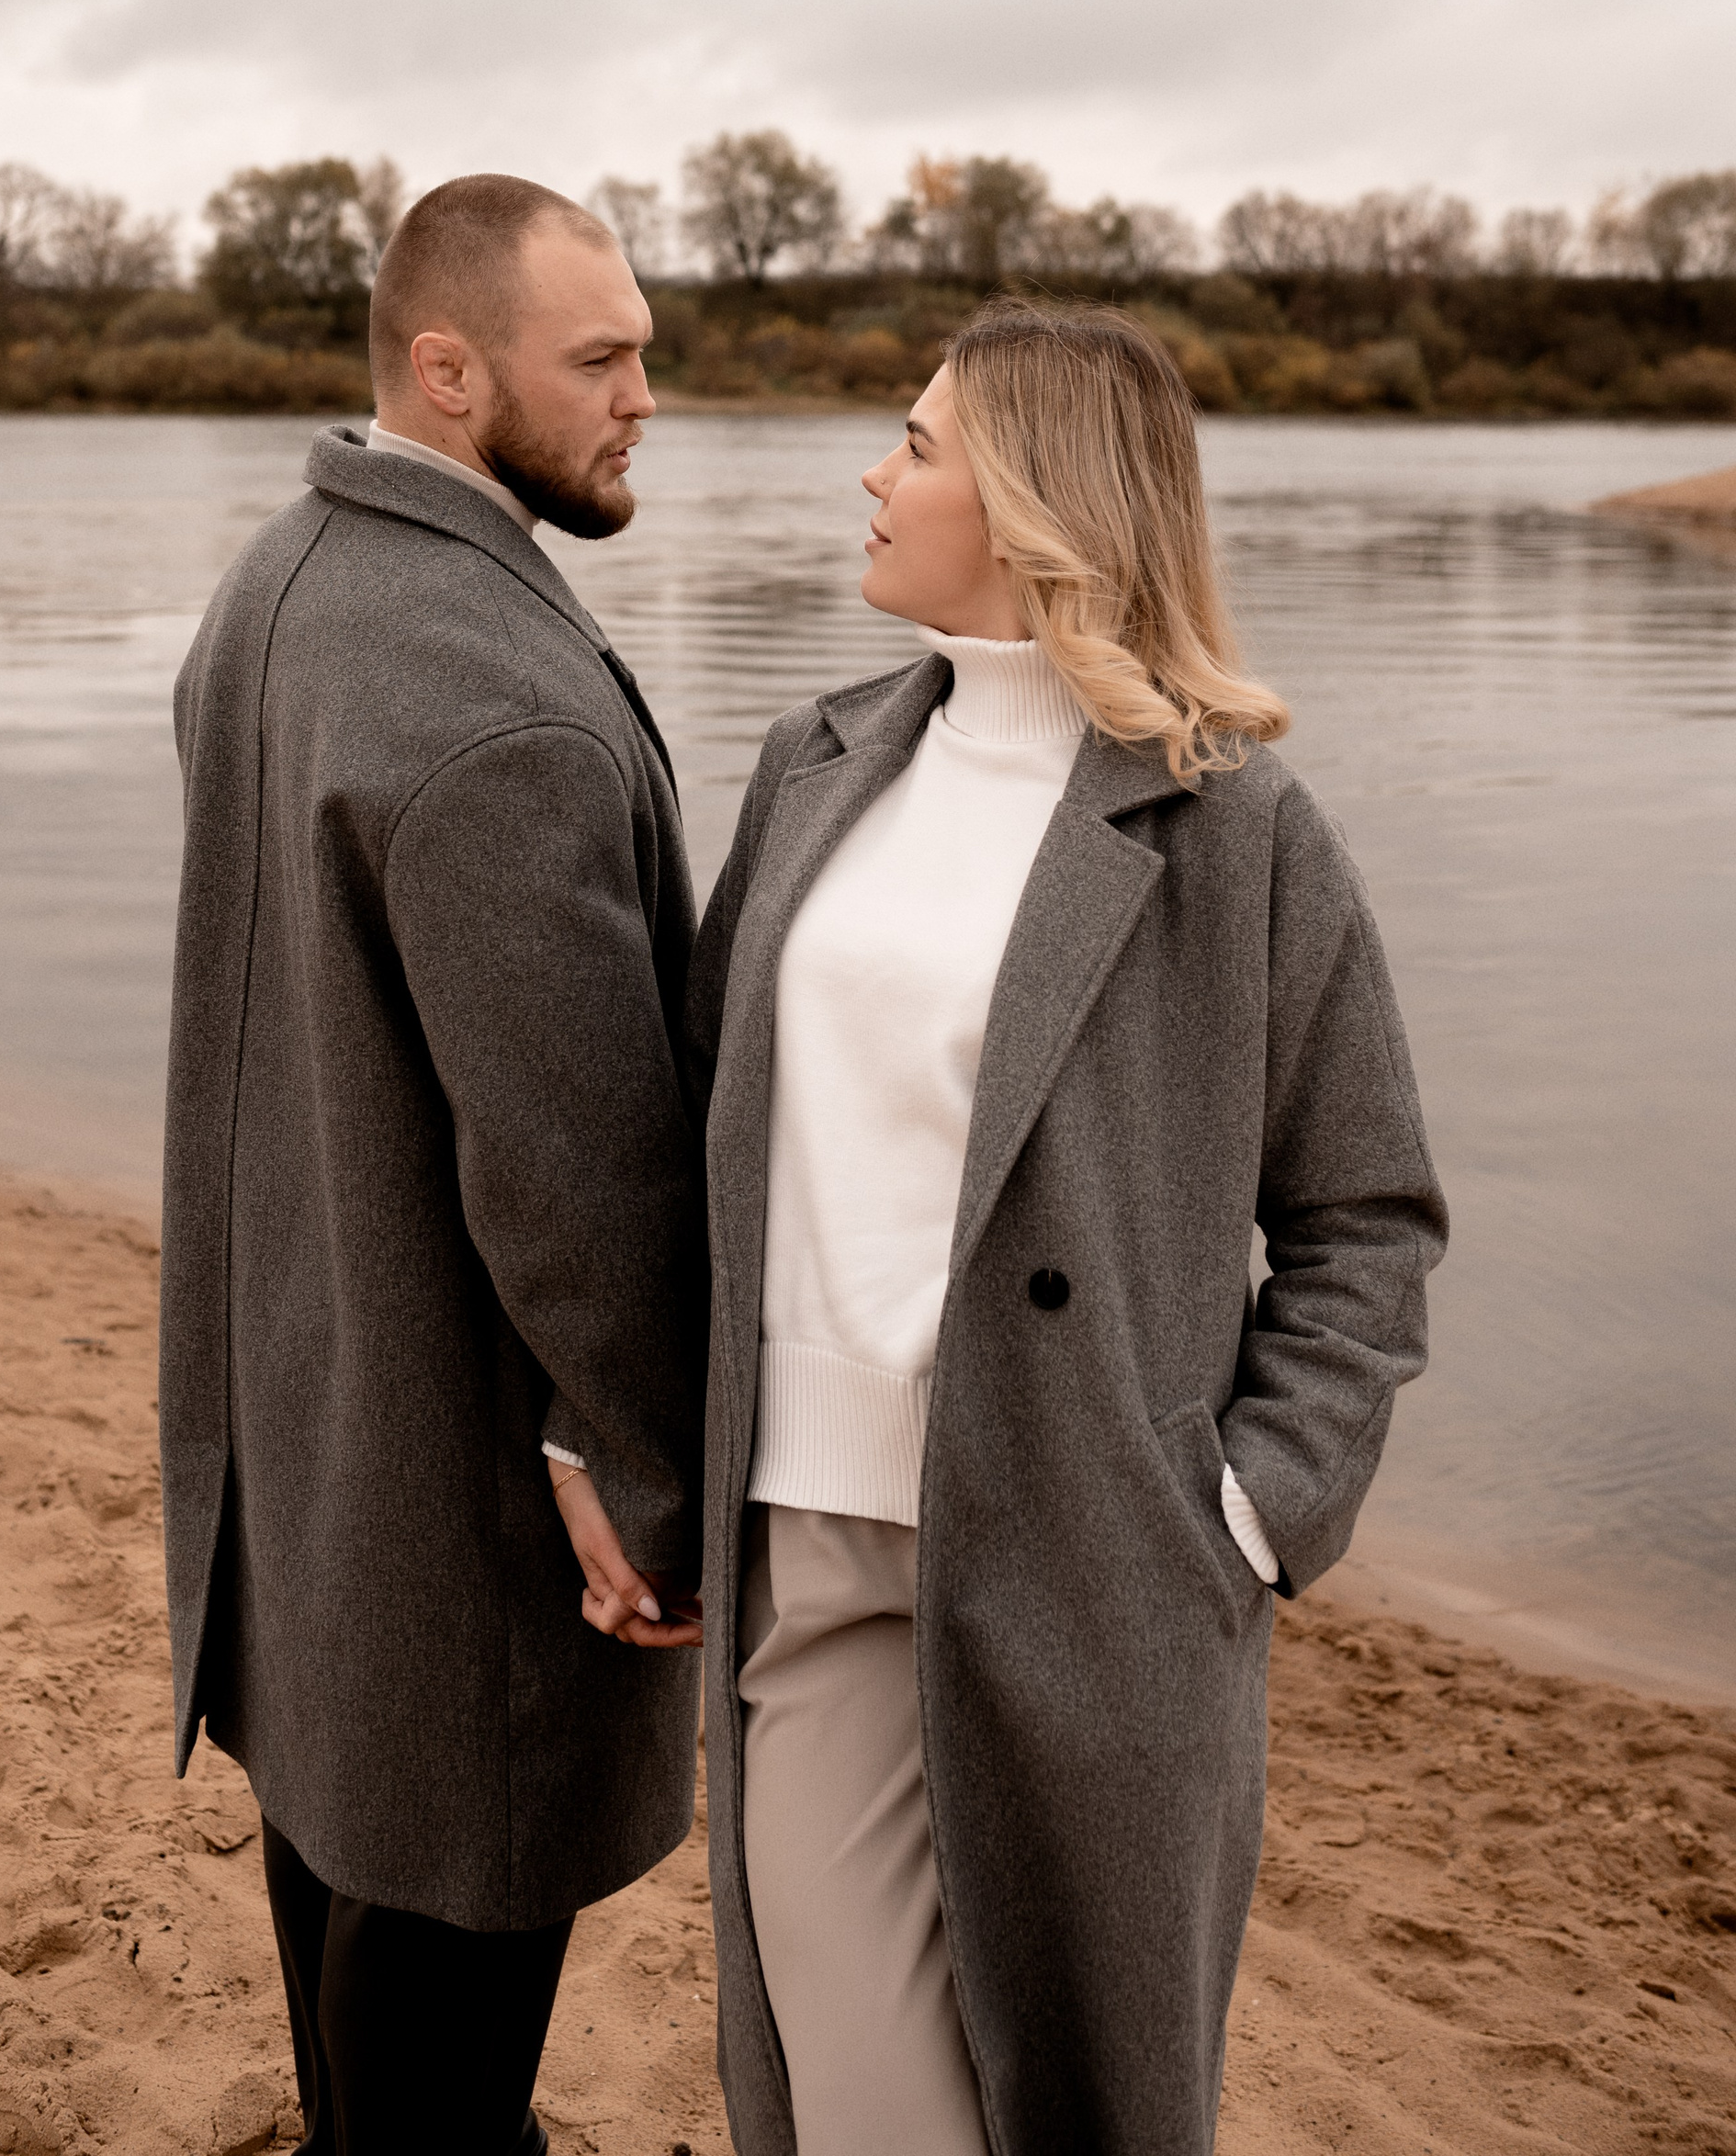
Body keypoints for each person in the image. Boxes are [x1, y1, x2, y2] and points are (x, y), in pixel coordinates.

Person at [686, 299, 1448, 2156]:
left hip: (1097, 1556)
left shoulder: (1235, 825)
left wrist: (1254, 1509)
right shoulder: (815, 760)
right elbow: (697, 1123)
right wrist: (618, 1436)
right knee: (861, 2102)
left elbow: (1364, 1213)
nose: (874, 474)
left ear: (1035, 499)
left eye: (918, 443)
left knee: (1094, 2098)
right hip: (808, 1536)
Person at [160, 175, 707, 2156]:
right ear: (451, 371)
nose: (646, 398)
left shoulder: (278, 578)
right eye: (602, 360)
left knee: (345, 1883)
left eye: (643, 350)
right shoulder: (495, 697)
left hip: (303, 1423)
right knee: (438, 2019)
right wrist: (647, 1470)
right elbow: (582, 1177)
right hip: (459, 1497)